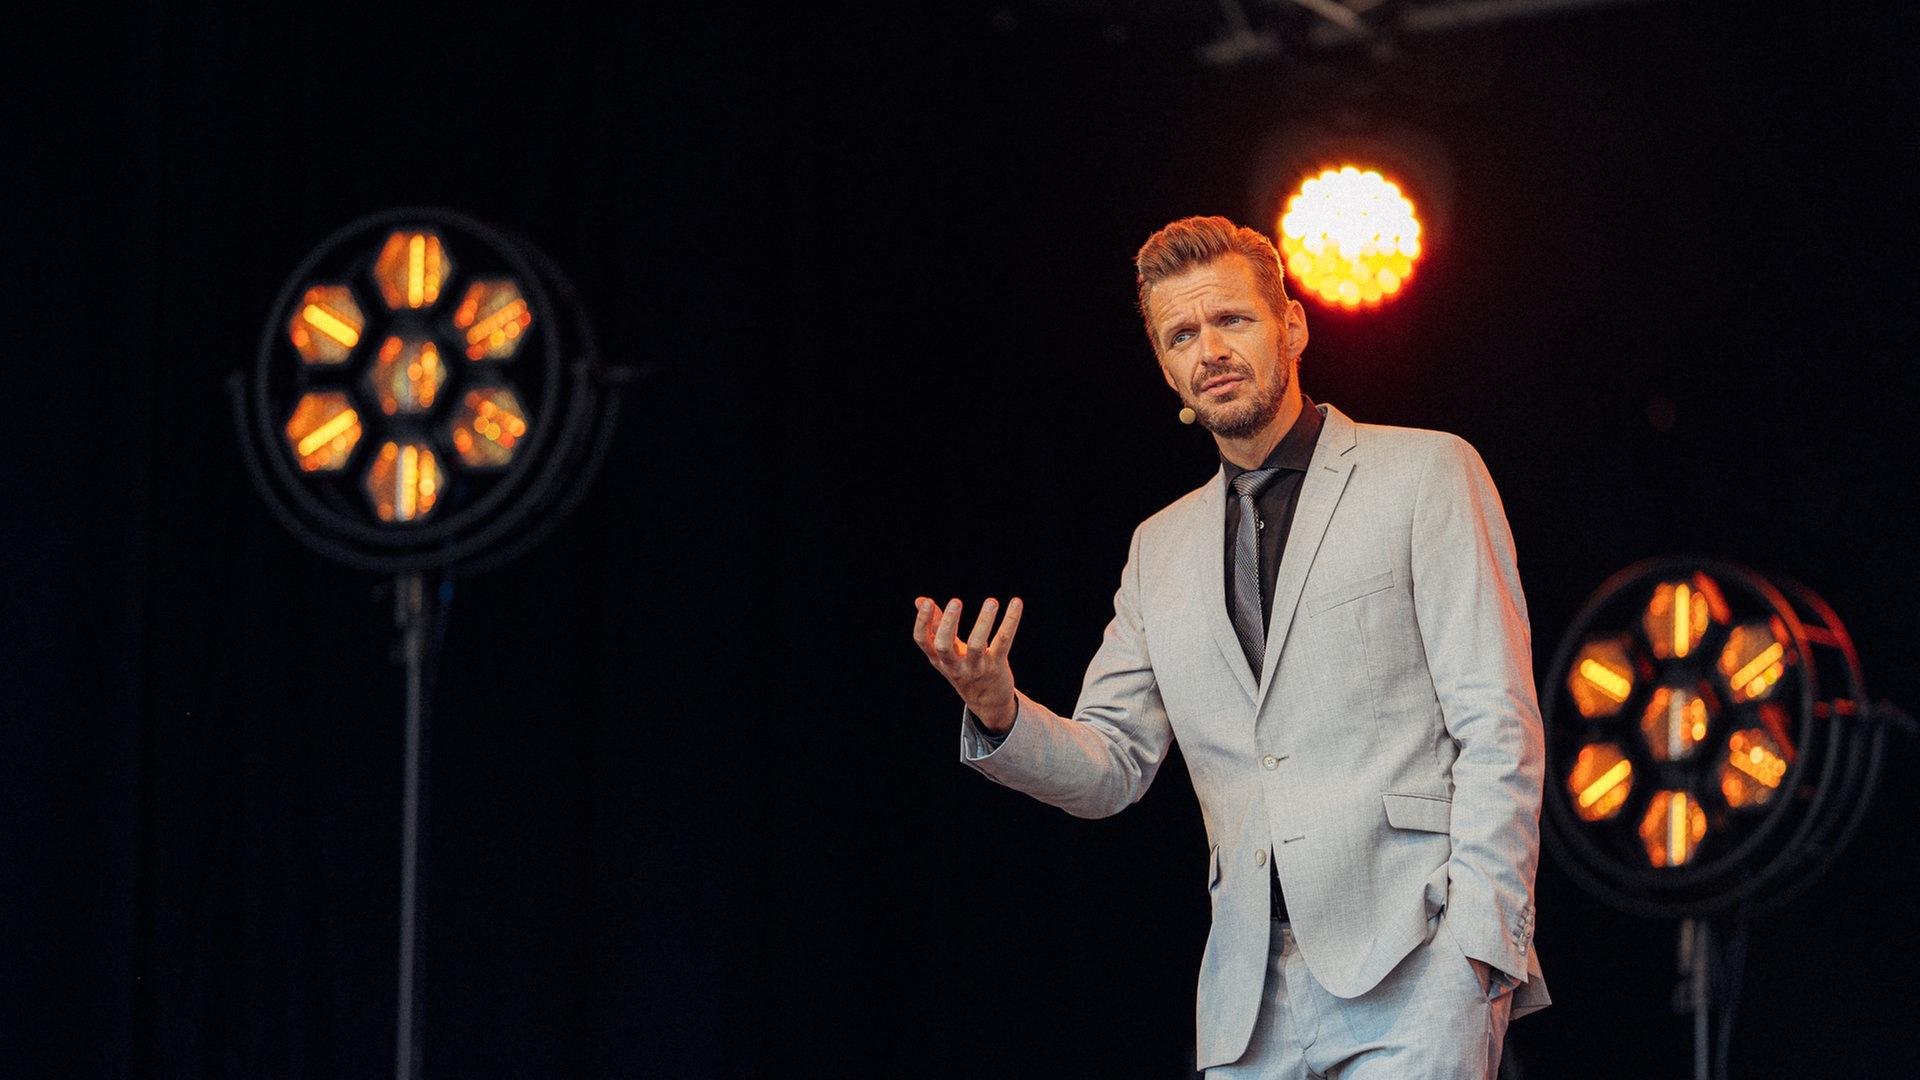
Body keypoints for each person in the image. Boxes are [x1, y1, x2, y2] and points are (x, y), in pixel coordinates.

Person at [911, 215, 1549, 1078]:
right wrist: (999, 711)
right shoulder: (1159, 547)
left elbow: (1498, 721)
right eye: (1182, 334)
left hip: (1417, 956)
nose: (1208, 348)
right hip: (1248, 997)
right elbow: (1112, 767)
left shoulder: (1426, 472)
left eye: (1232, 321)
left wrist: (1484, 942)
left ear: (1292, 325)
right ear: (1165, 366)